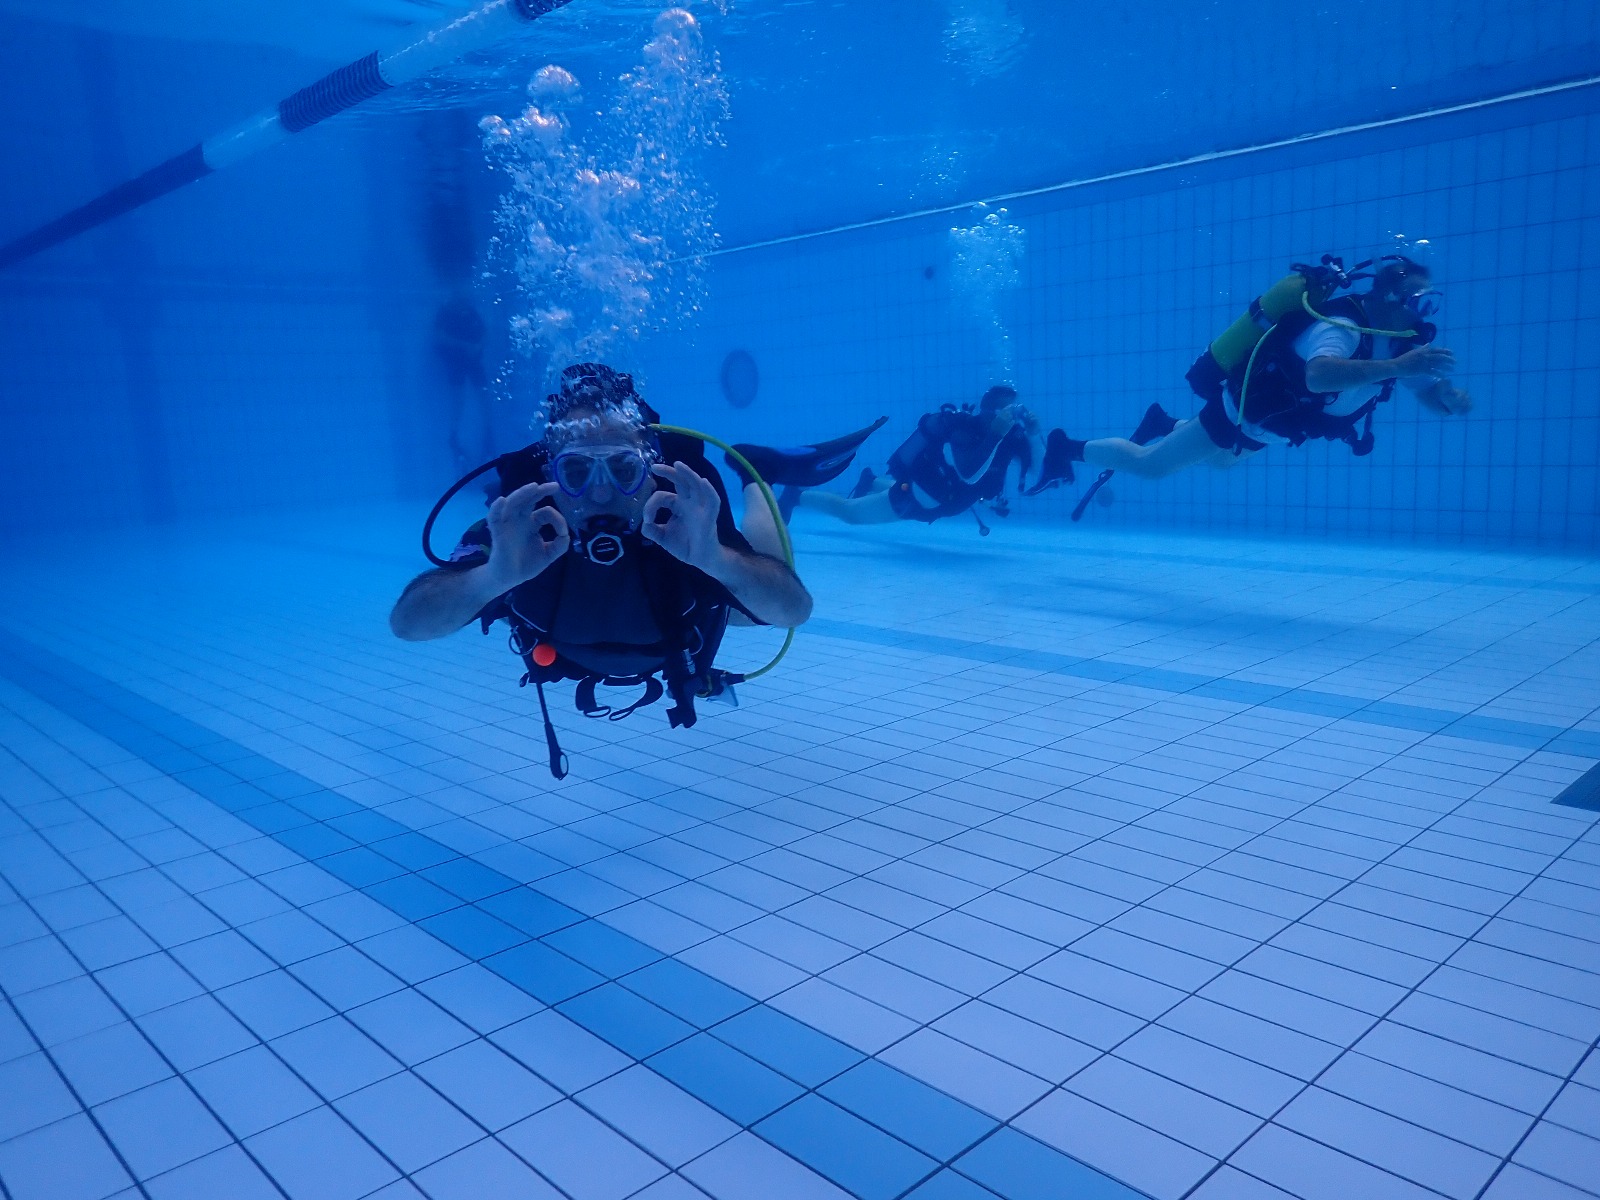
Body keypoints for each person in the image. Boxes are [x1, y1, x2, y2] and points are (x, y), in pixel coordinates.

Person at [390, 363, 814, 776]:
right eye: (575, 471)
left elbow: (793, 610)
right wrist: (491, 579)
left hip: (675, 632)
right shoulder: (518, 534)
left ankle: (757, 477)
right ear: (549, 474)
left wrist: (718, 560)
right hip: (577, 647)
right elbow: (408, 624)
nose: (599, 493)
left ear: (651, 469)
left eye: (623, 469)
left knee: (748, 596)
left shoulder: (684, 523)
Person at [1026, 249, 1473, 488]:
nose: (1426, 315)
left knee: (1222, 462)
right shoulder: (1343, 327)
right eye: (1422, 302)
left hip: (1274, 425)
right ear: (1392, 298)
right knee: (1150, 466)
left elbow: (1422, 388)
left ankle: (1166, 423)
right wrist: (1398, 365)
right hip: (1245, 411)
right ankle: (1065, 448)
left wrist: (1446, 399)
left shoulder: (1398, 342)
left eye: (1431, 304)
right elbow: (1319, 375)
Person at [773, 385, 1053, 527]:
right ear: (987, 411)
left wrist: (1033, 434)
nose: (1010, 417)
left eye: (1014, 410)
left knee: (876, 495)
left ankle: (870, 480)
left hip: (941, 502)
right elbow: (970, 474)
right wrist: (996, 434)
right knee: (851, 514)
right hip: (916, 499)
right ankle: (796, 496)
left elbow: (1037, 474)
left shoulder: (1009, 438)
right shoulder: (965, 431)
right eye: (1004, 411)